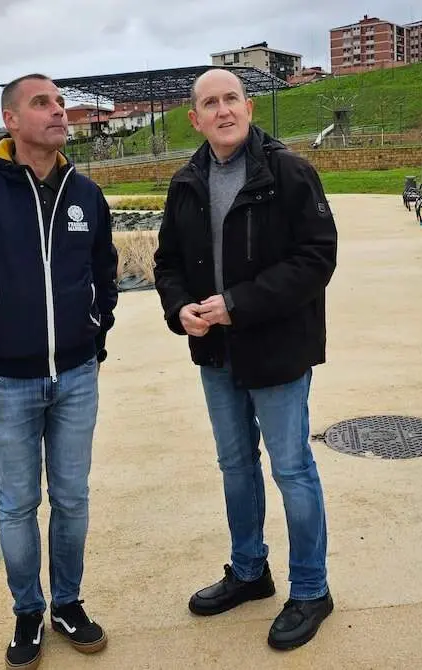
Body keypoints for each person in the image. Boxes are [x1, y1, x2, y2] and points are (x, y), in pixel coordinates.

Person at [0, 73, 118, 670]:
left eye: (60, 103)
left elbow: (105, 273)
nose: (59, 112)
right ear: (11, 120)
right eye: (43, 103)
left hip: (77, 377)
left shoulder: (84, 193)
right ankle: (28, 611)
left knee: (72, 498)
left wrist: (94, 327)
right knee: (15, 504)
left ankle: (68, 604)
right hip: (5, 381)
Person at [152, 68, 338, 651]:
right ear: (195, 118)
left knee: (291, 469)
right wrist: (180, 306)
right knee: (235, 466)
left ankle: (311, 589)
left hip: (278, 350)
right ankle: (250, 571)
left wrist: (238, 304)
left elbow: (317, 257)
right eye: (210, 103)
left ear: (249, 107)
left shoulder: (287, 172)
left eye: (232, 98)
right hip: (215, 352)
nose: (223, 110)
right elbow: (168, 264)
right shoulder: (186, 182)